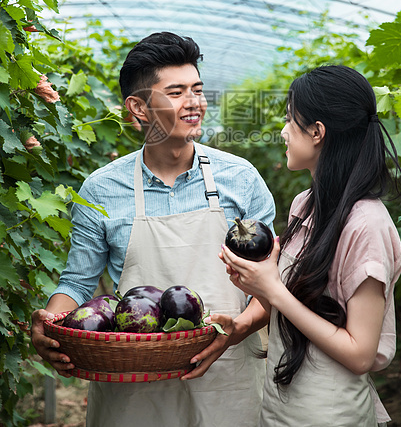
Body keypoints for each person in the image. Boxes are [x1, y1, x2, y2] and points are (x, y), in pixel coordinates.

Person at [31, 31, 275, 427]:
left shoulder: (240, 178)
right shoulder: (102, 188)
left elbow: (272, 282)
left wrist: (239, 328)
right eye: (176, 92)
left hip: (226, 373)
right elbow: (77, 282)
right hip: (131, 379)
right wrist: (50, 326)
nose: (195, 102)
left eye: (197, 89)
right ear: (138, 107)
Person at [220, 65, 401, 427]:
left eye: (290, 120)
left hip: (330, 412)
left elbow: (360, 354)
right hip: (282, 401)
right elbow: (307, 306)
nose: (283, 131)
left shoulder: (367, 224)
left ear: (318, 132)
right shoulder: (305, 205)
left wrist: (274, 289)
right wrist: (259, 285)